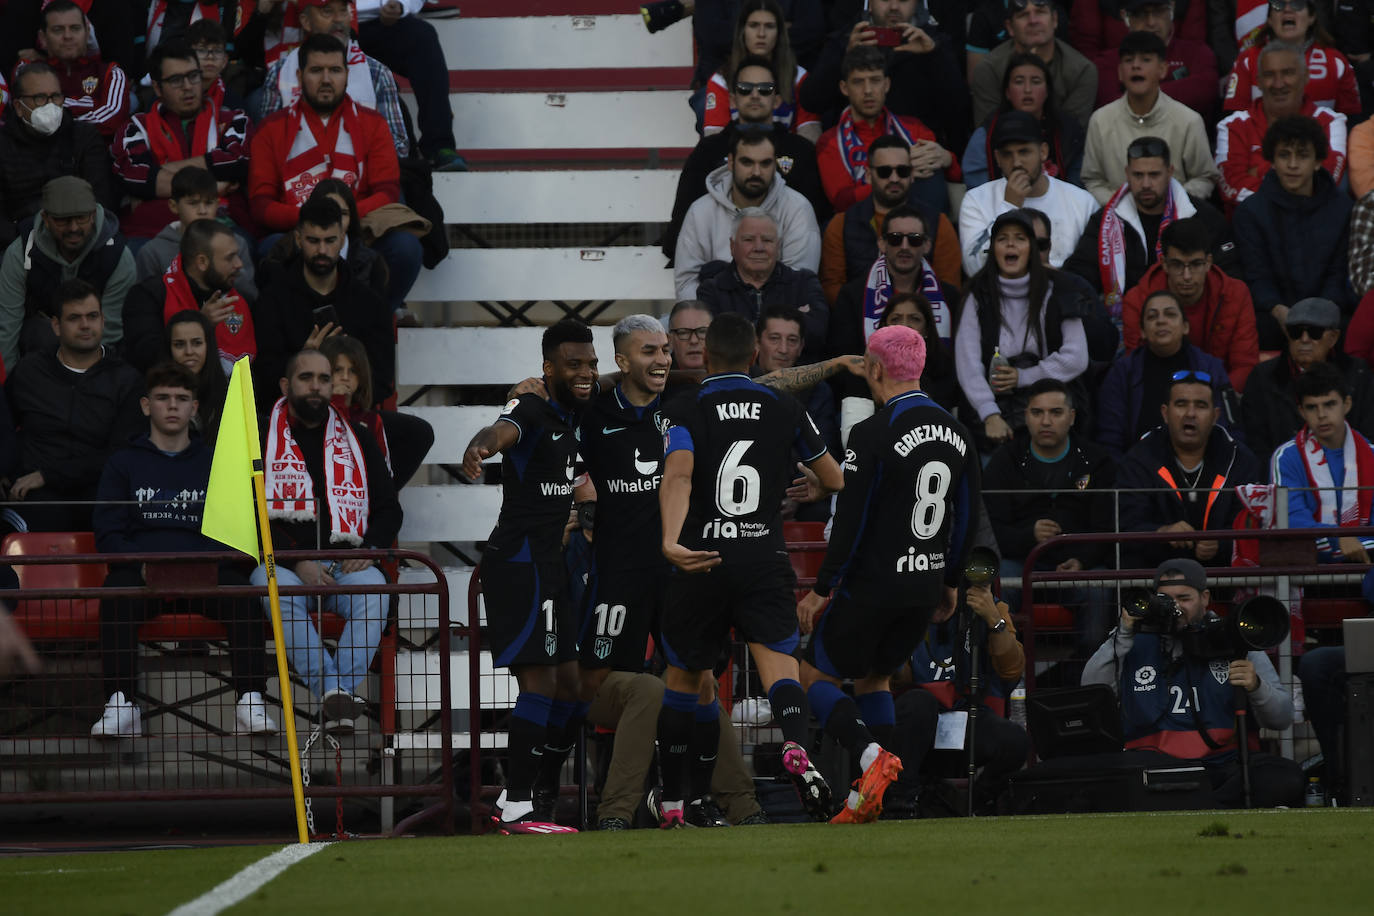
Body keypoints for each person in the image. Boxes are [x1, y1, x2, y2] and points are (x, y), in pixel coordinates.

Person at [657, 312, 844, 826]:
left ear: (706, 357)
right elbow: (834, 477)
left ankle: (674, 801)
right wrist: (816, 486)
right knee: (780, 668)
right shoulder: (784, 404)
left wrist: (671, 541)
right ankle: (796, 748)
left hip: (702, 559)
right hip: (763, 557)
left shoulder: (686, 406)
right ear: (756, 356)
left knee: (684, 678)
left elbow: (678, 474)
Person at [796, 323, 978, 823]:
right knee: (875, 680)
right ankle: (873, 797)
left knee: (813, 673)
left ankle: (871, 756)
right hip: (924, 584)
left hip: (874, 583)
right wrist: (949, 583)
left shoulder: (872, 433)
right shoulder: (958, 433)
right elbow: (966, 516)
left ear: (875, 370)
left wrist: (821, 588)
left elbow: (850, 521)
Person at [461, 319, 598, 833]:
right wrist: (481, 448)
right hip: (519, 566)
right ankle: (519, 803)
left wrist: (583, 519)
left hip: (550, 564)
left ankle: (525, 792)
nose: (585, 373)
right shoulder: (532, 407)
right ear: (547, 368)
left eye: (590, 363)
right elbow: (503, 431)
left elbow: (583, 492)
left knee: (568, 684)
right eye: (573, 364)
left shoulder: (567, 416)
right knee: (541, 681)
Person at [90, 362, 276, 739]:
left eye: (181, 399)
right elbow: (108, 531)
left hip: (206, 573)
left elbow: (236, 528)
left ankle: (251, 700)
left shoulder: (216, 463)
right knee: (115, 592)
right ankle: (121, 703)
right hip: (144, 575)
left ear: (194, 407)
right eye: (162, 398)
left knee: (244, 595)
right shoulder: (123, 463)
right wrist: (142, 565)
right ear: (146, 406)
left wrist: (203, 565)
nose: (172, 406)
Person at [249, 348, 400, 735]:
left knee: (375, 590)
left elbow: (389, 509)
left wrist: (368, 550)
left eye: (323, 378)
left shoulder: (358, 439)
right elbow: (250, 513)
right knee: (269, 585)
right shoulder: (260, 437)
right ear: (286, 385)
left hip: (347, 565)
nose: (316, 387)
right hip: (283, 565)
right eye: (305, 378)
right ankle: (338, 694)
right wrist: (298, 561)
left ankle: (338, 694)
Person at [1082, 558, 1304, 808]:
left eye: (1184, 598)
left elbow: (1282, 717)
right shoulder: (1132, 640)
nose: (1175, 607)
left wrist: (1256, 686)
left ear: (1205, 598)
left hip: (1221, 765)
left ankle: (1188, 804)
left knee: (1286, 776)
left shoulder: (1234, 638)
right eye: (1166, 599)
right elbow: (1090, 690)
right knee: (1109, 780)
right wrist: (1123, 633)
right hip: (1152, 765)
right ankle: (1208, 806)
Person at [983, 377, 1115, 656]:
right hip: (1018, 563)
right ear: (1025, 416)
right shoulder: (1004, 461)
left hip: (1078, 565)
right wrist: (1028, 536)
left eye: (1055, 413)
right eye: (1037, 412)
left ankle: (1085, 687)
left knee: (1100, 590)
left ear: (1072, 417)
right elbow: (992, 531)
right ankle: (1002, 683)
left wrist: (1082, 560)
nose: (1046, 421)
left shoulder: (1097, 461)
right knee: (998, 582)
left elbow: (1106, 528)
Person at [4, 279, 144, 532]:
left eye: (92, 316)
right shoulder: (29, 371)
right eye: (74, 318)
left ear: (103, 320)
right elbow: (3, 426)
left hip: (99, 495)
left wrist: (49, 474)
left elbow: (122, 454)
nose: (85, 325)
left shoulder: (126, 380)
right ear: (56, 325)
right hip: (33, 497)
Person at [662, 54, 827, 264]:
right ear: (732, 98)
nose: (755, 95)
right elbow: (681, 229)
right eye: (745, 88)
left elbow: (813, 223)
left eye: (765, 89)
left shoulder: (801, 151)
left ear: (777, 99)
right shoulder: (708, 151)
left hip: (786, 274)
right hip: (717, 280)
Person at [885, 582, 1028, 815]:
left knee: (1015, 741)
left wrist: (994, 619)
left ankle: (975, 803)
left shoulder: (985, 607)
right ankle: (900, 806)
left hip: (967, 717)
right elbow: (892, 680)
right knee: (918, 703)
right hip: (914, 727)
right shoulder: (904, 604)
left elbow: (1011, 671)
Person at [954, 208, 1091, 451]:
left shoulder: (1060, 289)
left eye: (1020, 238)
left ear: (1031, 248)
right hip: (995, 412)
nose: (1011, 245)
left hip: (1051, 404)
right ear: (993, 249)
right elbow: (968, 365)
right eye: (1002, 239)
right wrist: (990, 415)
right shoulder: (977, 294)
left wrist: (1023, 377)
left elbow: (1076, 357)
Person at [251, 197, 394, 409]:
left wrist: (348, 384)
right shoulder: (273, 300)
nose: (322, 251)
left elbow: (382, 378)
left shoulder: (369, 303)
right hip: (292, 415)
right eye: (313, 241)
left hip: (353, 415)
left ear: (343, 239)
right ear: (298, 239)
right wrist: (302, 359)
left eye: (330, 241)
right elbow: (262, 375)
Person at [1065, 136, 1232, 316]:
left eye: (1154, 175)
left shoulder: (1203, 217)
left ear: (1170, 172)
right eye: (1138, 175)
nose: (1145, 184)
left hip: (1190, 317)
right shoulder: (1106, 221)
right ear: (1127, 173)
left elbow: (1228, 274)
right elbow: (1080, 273)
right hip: (1124, 319)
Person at [1116, 371, 1263, 568]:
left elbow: (1251, 528)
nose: (1190, 413)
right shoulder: (1140, 458)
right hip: (1154, 576)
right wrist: (1161, 533)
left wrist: (1221, 544)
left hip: (1224, 580)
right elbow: (1126, 527)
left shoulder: (1240, 459)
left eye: (1201, 406)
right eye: (1181, 404)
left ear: (1215, 416)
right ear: (1165, 413)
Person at [1233, 115, 1354, 351]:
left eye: (1303, 155)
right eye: (1284, 155)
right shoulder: (1250, 212)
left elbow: (1339, 274)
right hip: (1272, 316)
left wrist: (1318, 314)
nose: (1292, 164)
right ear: (1272, 160)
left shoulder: (1343, 210)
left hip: (1329, 314)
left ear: (1318, 161)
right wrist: (1278, 310)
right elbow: (1256, 275)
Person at [111, 40, 252, 240]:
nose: (188, 87)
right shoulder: (136, 127)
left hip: (222, 226)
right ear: (158, 88)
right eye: (176, 80)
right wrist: (213, 187)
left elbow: (235, 161)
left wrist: (159, 179)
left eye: (193, 76)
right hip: (153, 232)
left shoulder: (233, 120)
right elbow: (137, 177)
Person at [0, 176, 134, 373]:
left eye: (81, 218)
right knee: (42, 334)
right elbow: (7, 327)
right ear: (45, 218)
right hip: (39, 341)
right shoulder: (20, 252)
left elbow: (109, 332)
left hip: (95, 346)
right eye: (63, 220)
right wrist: (7, 387)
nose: (73, 228)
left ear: (93, 214)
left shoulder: (118, 257)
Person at [798, 0, 969, 153]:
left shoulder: (934, 43)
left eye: (903, 0)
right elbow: (812, 101)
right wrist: (844, 54)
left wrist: (934, 55)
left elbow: (959, 109)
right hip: (854, 151)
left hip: (917, 151)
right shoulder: (846, 38)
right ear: (869, 3)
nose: (894, 7)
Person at [673, 130, 821, 300]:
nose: (756, 172)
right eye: (747, 162)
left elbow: (799, 283)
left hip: (778, 320)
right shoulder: (700, 211)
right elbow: (686, 284)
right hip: (714, 320)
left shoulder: (798, 208)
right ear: (730, 162)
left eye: (765, 163)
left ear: (775, 165)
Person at [259, 0, 412, 161]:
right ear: (305, 21)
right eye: (327, 11)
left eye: (343, 11)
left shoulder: (376, 72)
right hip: (297, 178)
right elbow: (265, 145)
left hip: (363, 177)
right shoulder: (281, 72)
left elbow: (399, 147)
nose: (338, 19)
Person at [1079, 30, 1219, 205]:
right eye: (1129, 61)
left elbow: (1204, 177)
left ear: (1162, 69)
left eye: (1145, 60)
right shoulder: (1100, 121)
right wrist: (1123, 207)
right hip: (1118, 218)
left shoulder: (1189, 120)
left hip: (1175, 219)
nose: (1136, 66)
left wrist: (1170, 206)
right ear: (1120, 72)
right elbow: (1092, 180)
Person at [1120, 216, 1260, 390]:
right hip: (1160, 397)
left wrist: (1210, 400)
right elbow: (1137, 369)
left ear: (1208, 262)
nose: (1186, 276)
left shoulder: (1235, 294)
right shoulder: (1138, 300)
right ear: (1164, 264)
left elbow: (1245, 365)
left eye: (1195, 264)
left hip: (1219, 394)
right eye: (1177, 265)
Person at [815, 46, 957, 216]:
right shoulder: (830, 141)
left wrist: (947, 159)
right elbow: (842, 201)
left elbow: (953, 177)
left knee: (931, 177)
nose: (868, 91)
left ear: (887, 84)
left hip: (916, 222)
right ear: (844, 88)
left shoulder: (914, 128)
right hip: (863, 228)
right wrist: (900, 173)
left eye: (875, 80)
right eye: (858, 82)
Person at [1097, 290, 1239, 458]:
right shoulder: (1122, 373)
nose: (1161, 321)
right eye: (1152, 317)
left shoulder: (1211, 368)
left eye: (1170, 314)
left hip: (1204, 472)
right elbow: (1109, 440)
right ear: (1142, 331)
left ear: (1185, 327)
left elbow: (1230, 432)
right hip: (1138, 473)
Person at [820, 135, 960, 301]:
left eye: (902, 171)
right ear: (868, 175)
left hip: (923, 321)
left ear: (912, 175)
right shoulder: (841, 224)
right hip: (860, 321)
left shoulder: (938, 223)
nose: (894, 178)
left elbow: (950, 289)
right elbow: (832, 290)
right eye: (884, 172)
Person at [958, 111, 1100, 275]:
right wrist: (1009, 207)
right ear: (997, 158)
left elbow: (1091, 271)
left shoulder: (1082, 202)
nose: (1016, 162)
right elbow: (973, 269)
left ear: (1043, 152)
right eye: (1007, 154)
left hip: (1062, 295)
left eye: (1024, 152)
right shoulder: (976, 200)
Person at [1216, 40, 1348, 211]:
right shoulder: (1232, 126)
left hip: (1313, 227)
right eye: (1269, 75)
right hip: (1251, 230)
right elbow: (1232, 187)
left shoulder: (1331, 122)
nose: (1278, 83)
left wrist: (1260, 172)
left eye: (1287, 73)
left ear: (1305, 77)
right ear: (1259, 81)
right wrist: (1298, 184)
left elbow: (1326, 182)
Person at [0, 61, 116, 251]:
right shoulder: (3, 146)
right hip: (20, 244)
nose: (50, 105)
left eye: (55, 97)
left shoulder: (84, 137)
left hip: (80, 239)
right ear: (19, 107)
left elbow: (102, 201)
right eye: (39, 98)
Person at [1243, 297, 1374, 462]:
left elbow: (1369, 435)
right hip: (1281, 476)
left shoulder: (1358, 375)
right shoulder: (1262, 377)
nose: (1304, 339)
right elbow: (1255, 445)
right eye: (1296, 332)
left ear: (1333, 337)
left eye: (1315, 332)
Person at [123, 218, 255, 375]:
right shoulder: (147, 296)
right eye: (230, 257)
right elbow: (145, 357)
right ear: (202, 262)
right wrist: (200, 324)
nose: (239, 264)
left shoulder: (239, 297)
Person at [831, 204, 957, 367]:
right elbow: (843, 363)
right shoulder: (852, 297)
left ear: (927, 245)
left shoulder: (950, 298)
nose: (904, 246)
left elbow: (954, 367)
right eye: (895, 238)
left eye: (915, 239)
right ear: (882, 244)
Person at [695, 209, 828, 362]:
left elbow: (817, 334)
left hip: (798, 381)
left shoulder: (804, 282)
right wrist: (792, 320)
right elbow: (718, 344)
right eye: (749, 240)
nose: (759, 248)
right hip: (737, 382)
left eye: (767, 240)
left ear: (778, 246)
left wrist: (742, 329)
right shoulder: (711, 290)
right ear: (732, 246)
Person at [354, 0, 466, 169]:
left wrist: (401, 4)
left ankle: (439, 145)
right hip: (328, 22)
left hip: (384, 21)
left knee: (423, 37)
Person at [319, 334, 433, 488]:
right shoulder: (312, 415)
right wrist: (337, 402)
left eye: (353, 370)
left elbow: (381, 474)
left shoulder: (371, 420)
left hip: (360, 500)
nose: (345, 377)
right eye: (338, 369)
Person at [133, 166, 258, 303]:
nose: (203, 211)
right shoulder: (153, 252)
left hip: (230, 321)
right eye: (193, 203)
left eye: (209, 203)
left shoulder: (237, 244)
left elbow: (249, 297)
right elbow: (146, 304)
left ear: (217, 204)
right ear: (173, 206)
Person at [962, 51, 1085, 189]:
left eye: (1036, 82)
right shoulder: (988, 133)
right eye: (1019, 82)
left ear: (1047, 91)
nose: (1027, 89)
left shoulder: (1068, 129)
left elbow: (1077, 184)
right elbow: (978, 190)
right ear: (1007, 92)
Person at [971, 0, 1098, 130]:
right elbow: (987, 133)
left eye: (1040, 12)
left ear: (1054, 20)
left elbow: (1071, 135)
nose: (1033, 21)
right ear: (1010, 27)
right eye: (1023, 15)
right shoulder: (988, 70)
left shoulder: (1082, 71)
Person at [702, 0, 818, 140]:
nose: (761, 34)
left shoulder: (798, 77)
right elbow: (715, 144)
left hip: (786, 159)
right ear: (742, 31)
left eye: (769, 26)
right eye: (753, 25)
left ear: (779, 33)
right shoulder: (720, 81)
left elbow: (810, 139)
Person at [1223, 0, 1359, 117]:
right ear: (1269, 19)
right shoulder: (1247, 60)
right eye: (1278, 5)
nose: (1287, 10)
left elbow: (1351, 123)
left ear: (1312, 17)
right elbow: (1235, 118)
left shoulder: (1336, 62)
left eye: (1297, 4)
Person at [1089, 0, 1218, 119]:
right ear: (1125, 17)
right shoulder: (1107, 61)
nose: (1151, 22)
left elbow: (1206, 92)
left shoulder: (1197, 53)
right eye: (1140, 14)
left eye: (1159, 11)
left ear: (1172, 8)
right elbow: (1109, 107)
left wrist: (1137, 93)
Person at [36, 0, 130, 138]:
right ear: (43, 38)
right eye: (58, 30)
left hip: (96, 156)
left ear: (87, 33)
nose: (67, 36)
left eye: (75, 28)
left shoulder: (111, 73)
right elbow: (29, 114)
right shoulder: (29, 72)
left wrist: (55, 120)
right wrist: (91, 106)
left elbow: (112, 120)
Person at [163, 308, 227, 441]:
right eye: (179, 344)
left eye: (197, 343)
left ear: (208, 345)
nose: (189, 351)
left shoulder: (230, 392)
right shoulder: (157, 396)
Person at [667, 300, 712, 370]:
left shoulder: (731, 376)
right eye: (683, 333)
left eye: (702, 332)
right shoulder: (657, 378)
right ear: (670, 340)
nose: (694, 341)